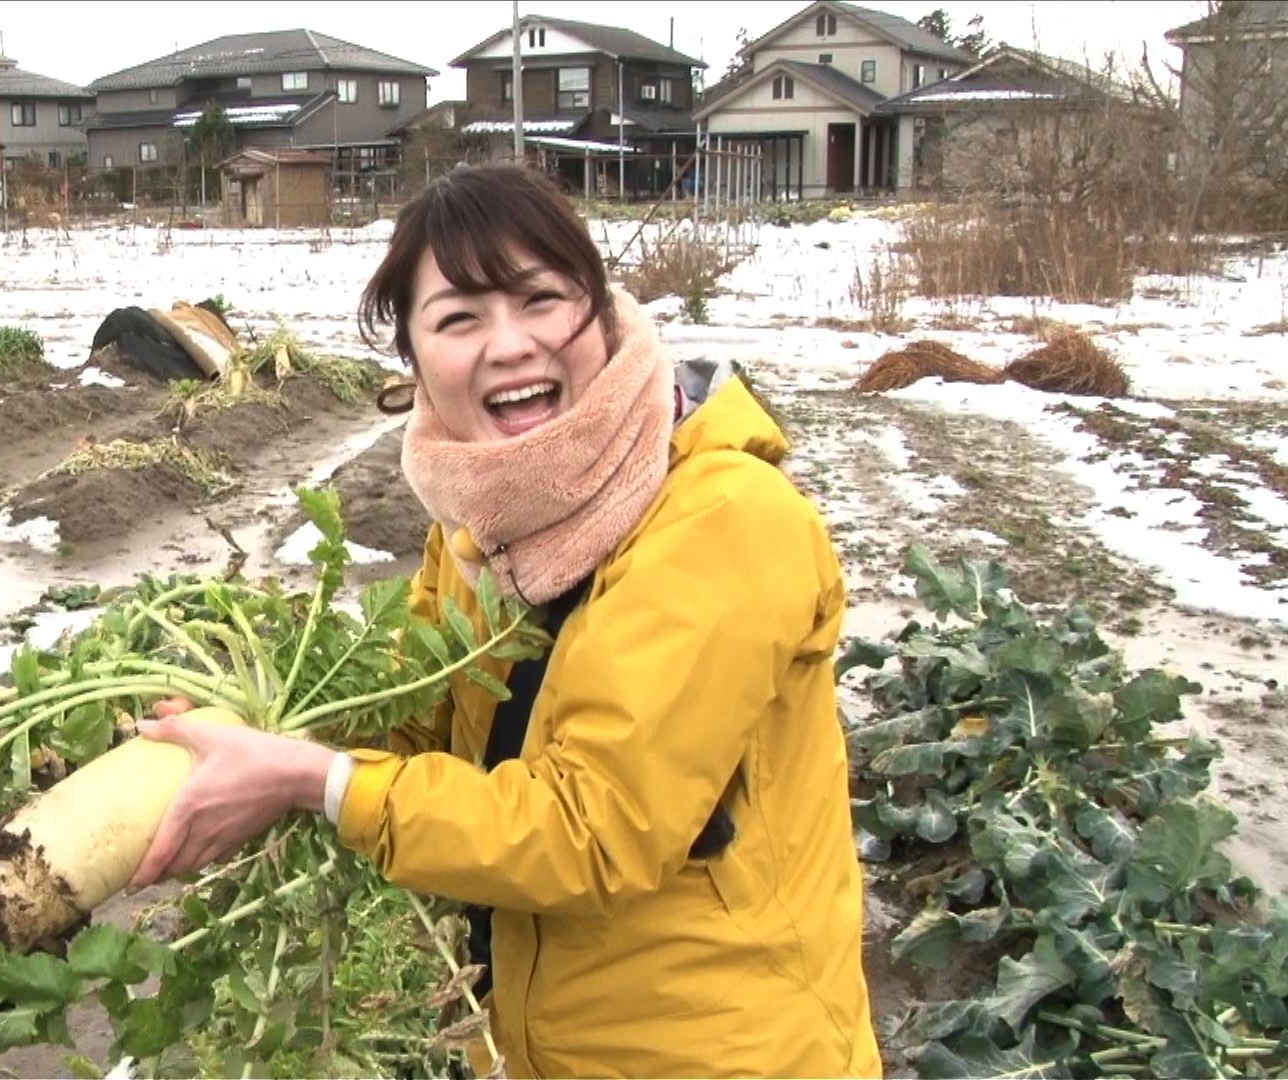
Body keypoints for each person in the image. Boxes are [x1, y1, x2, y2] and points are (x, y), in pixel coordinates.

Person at [130, 165, 880, 1078]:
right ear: (412, 359)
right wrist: (262, 731)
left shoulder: (725, 519)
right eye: (458, 319)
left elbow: (595, 829)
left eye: (540, 300)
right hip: (537, 1035)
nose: (511, 344)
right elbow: (413, 721)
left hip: (717, 1050)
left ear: (601, 314)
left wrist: (317, 781)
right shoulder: (484, 524)